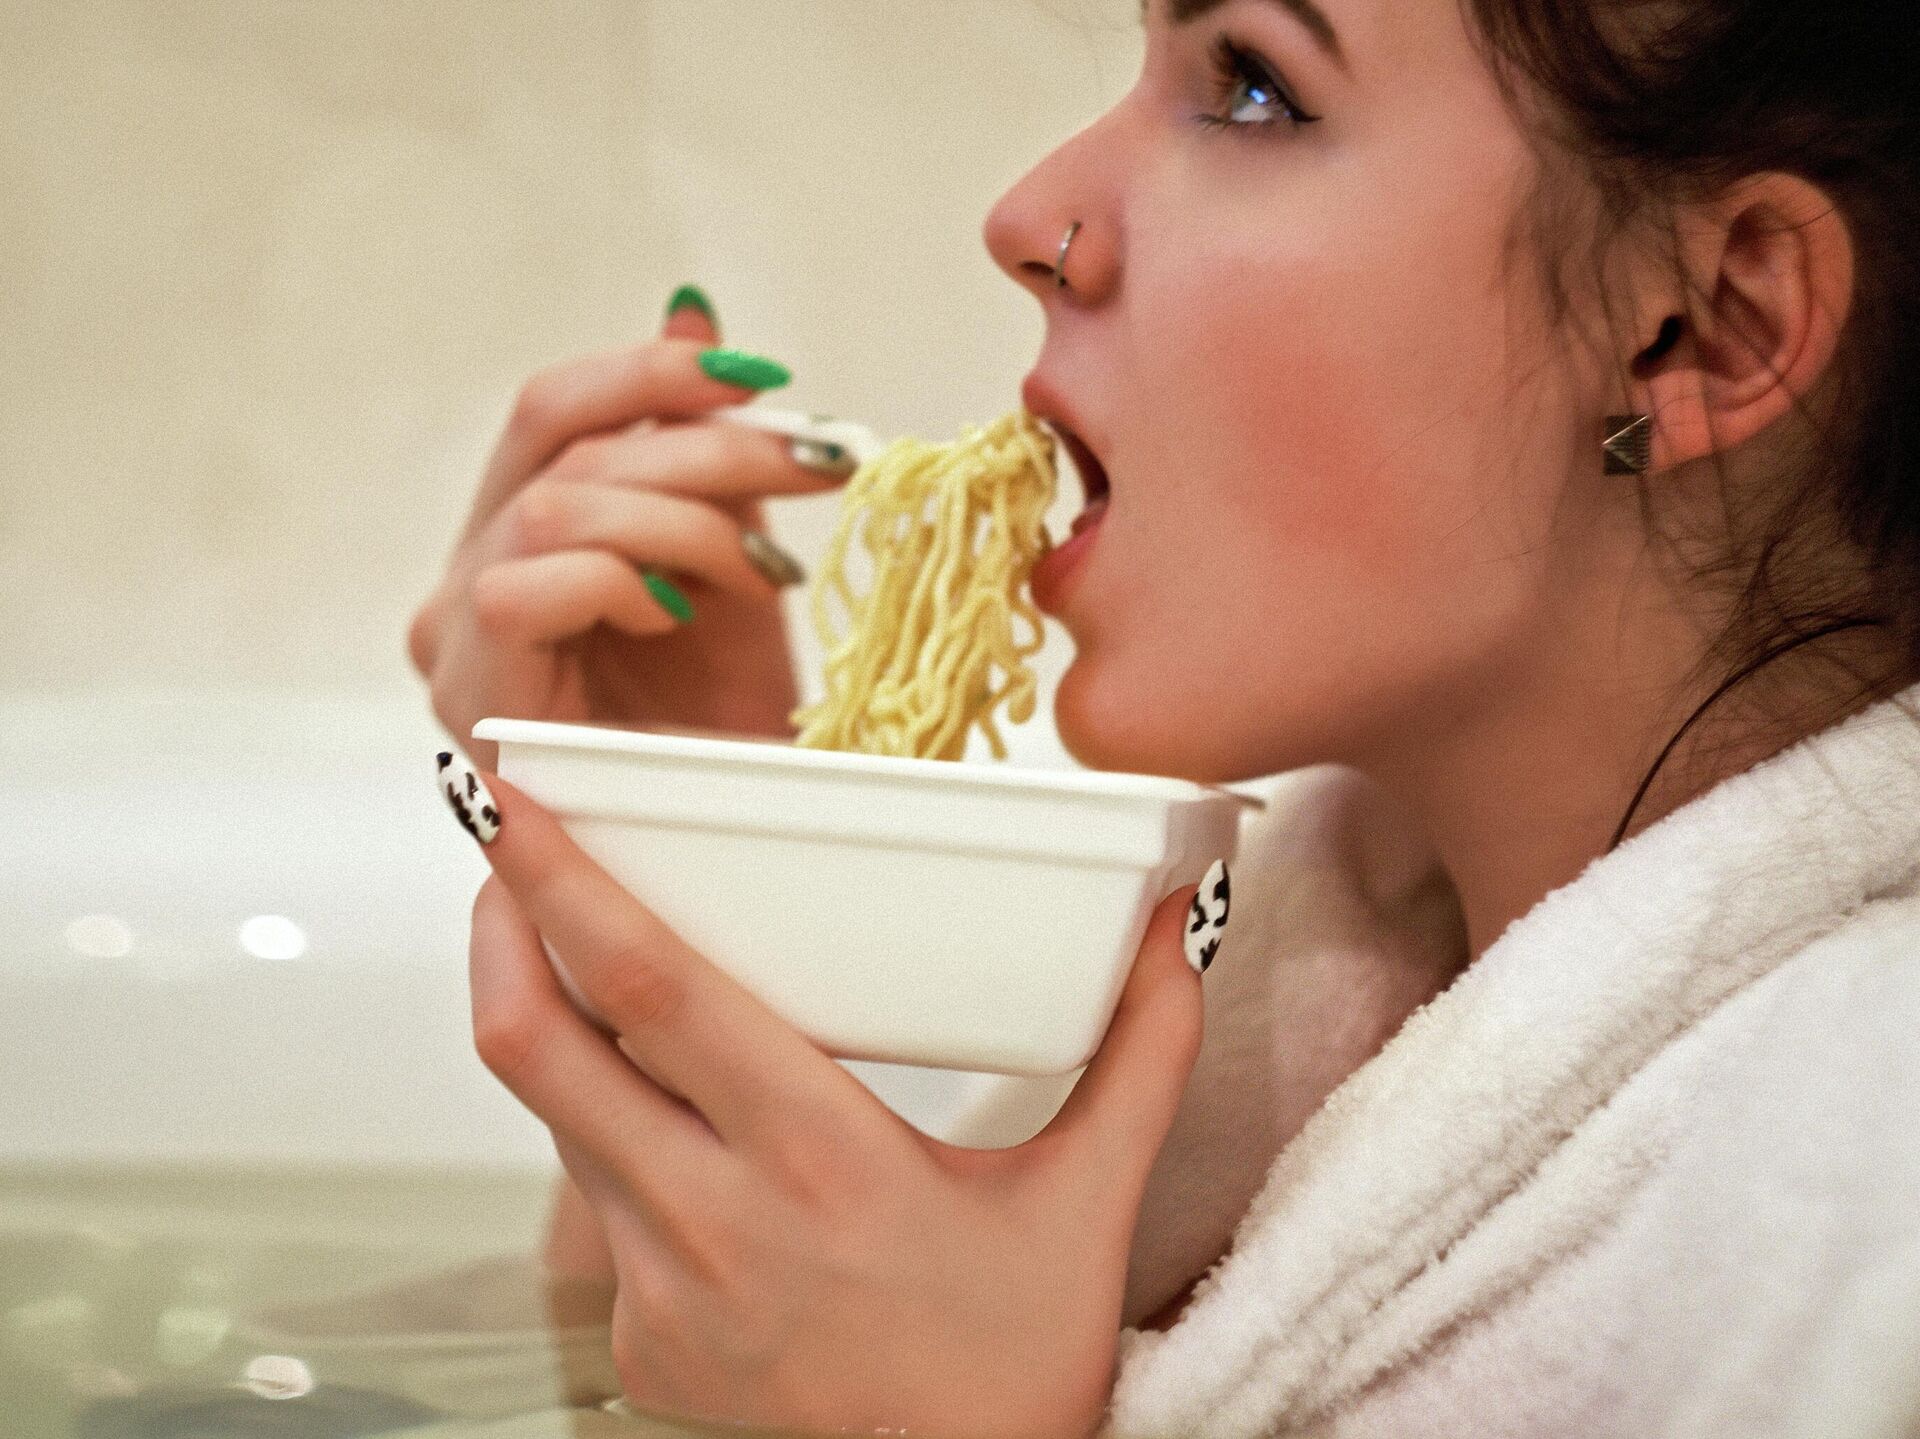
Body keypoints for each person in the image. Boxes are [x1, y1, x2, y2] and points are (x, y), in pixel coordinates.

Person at [409, 0, 1920, 1433]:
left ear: (1705, 329)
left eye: (1255, 87)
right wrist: (707, 890)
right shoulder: (1323, 1001)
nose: (1028, 218)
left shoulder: (1865, 1190)